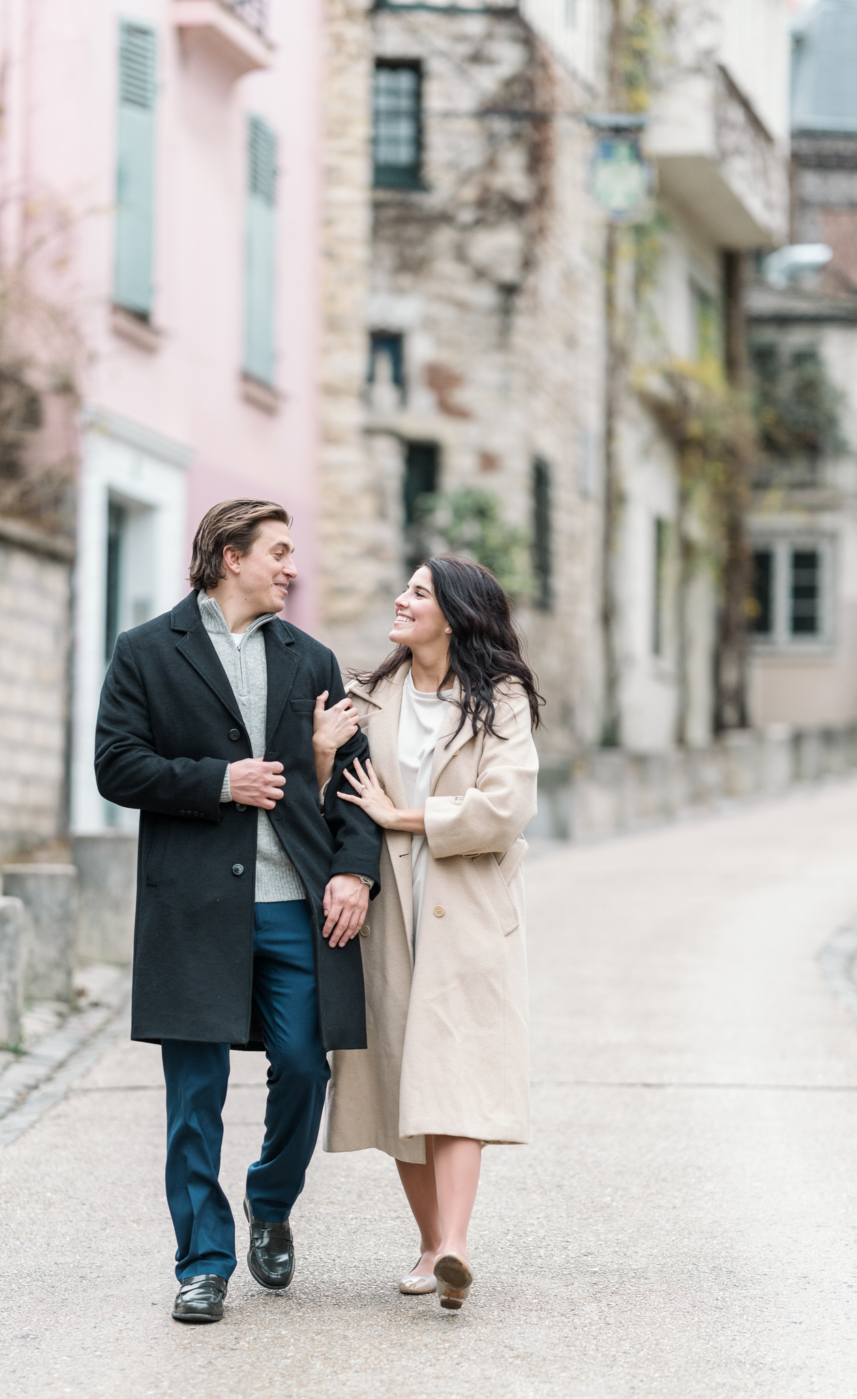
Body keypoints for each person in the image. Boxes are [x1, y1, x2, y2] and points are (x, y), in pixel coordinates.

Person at [94, 499, 381, 1325]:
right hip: (191, 908)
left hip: (294, 902)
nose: (292, 567)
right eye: (279, 552)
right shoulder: (147, 651)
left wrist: (354, 872)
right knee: (194, 1097)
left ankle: (271, 1199)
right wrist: (220, 781)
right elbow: (116, 766)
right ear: (229, 556)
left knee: (303, 1065)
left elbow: (354, 785)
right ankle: (202, 1262)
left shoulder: (313, 658)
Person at [319, 555, 540, 1312]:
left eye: (418, 591)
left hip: (466, 907)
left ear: (454, 613)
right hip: (385, 911)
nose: (401, 598)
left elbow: (504, 808)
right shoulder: (366, 696)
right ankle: (428, 1244)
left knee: (456, 1073)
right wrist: (320, 754)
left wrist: (405, 817)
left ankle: (456, 1245)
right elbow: (332, 798)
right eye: (405, 587)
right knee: (397, 1078)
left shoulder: (499, 700)